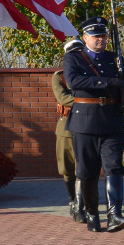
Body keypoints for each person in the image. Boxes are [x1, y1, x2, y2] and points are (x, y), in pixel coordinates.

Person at [63, 16, 124, 233]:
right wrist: (106, 82)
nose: (101, 40)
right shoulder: (73, 58)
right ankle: (93, 213)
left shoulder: (115, 59)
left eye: (103, 36)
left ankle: (114, 215)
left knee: (114, 167)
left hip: (111, 120)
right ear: (85, 37)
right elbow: (74, 82)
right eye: (96, 37)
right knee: (87, 172)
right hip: (84, 123)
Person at [51, 38, 84, 222]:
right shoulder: (60, 76)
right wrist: (88, 101)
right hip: (67, 126)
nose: (78, 54)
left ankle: (81, 205)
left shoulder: (92, 71)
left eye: (80, 51)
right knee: (67, 168)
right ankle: (72, 199)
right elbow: (63, 98)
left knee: (84, 168)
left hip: (88, 125)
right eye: (74, 52)